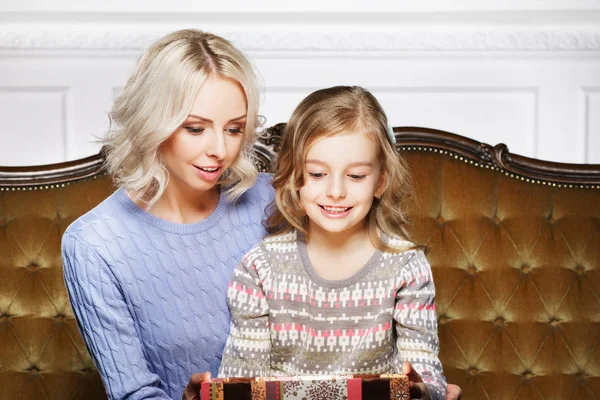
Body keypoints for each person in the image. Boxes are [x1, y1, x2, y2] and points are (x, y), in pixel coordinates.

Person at [61, 29, 462, 400]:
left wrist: (425, 390)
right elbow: (133, 392)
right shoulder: (94, 245)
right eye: (196, 129)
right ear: (154, 123)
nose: (220, 150)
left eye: (234, 129)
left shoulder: (279, 196)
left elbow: (351, 276)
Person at [218, 86, 448, 400]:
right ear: (294, 177)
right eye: (317, 174)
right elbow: (241, 384)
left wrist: (419, 390)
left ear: (380, 181)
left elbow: (428, 378)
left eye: (355, 176)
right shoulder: (260, 268)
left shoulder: (406, 267)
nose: (336, 191)